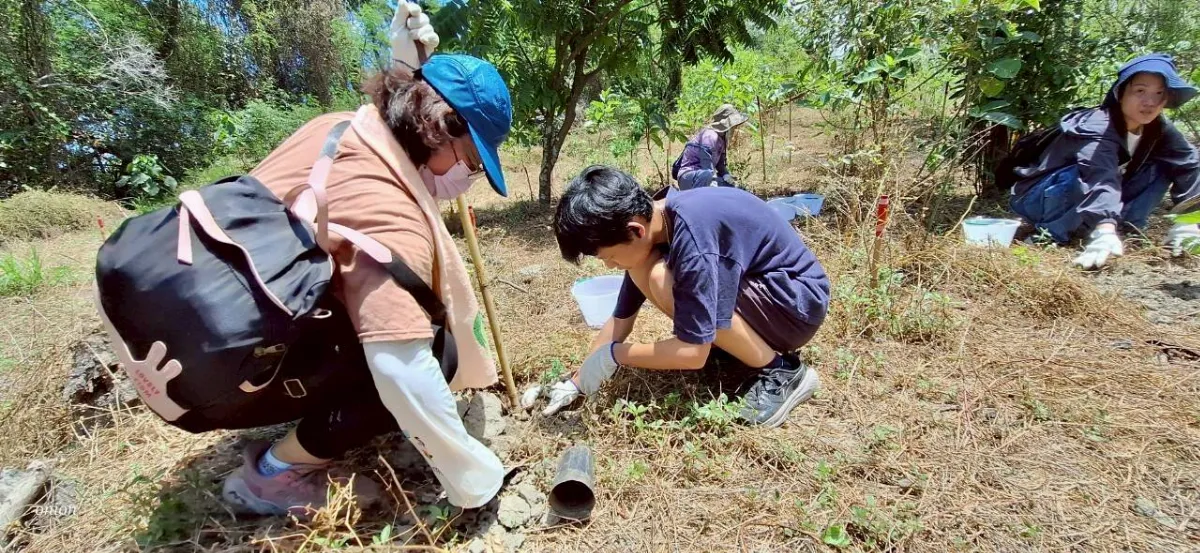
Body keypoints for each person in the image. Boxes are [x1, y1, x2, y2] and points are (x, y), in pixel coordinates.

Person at [214, 6, 513, 516]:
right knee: (433, 354)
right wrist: (475, 479)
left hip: (226, 314)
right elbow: (402, 371)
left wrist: (407, 66)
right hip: (233, 365)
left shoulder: (339, 129)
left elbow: (400, 112)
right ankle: (272, 474)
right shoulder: (391, 209)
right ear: (441, 126)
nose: (465, 177)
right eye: (469, 160)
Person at [543, 166, 830, 427]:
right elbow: (621, 319)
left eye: (610, 257)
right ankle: (737, 348)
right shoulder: (657, 221)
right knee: (648, 271)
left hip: (795, 305)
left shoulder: (693, 236)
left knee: (660, 278)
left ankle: (783, 372)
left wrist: (616, 355)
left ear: (635, 230)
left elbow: (693, 354)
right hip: (768, 297)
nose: (610, 266)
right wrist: (577, 382)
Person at [1008, 53, 1200, 269]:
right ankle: (1051, 233)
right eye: (1140, 91)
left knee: (1163, 165)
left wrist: (1189, 219)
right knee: (1077, 174)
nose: (1150, 102)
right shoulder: (1098, 125)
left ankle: (1126, 228)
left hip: (1086, 199)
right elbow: (1099, 176)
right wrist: (1104, 228)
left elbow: (1190, 163)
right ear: (1121, 92)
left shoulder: (1158, 128)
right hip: (1038, 197)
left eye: (1159, 93)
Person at [671, 104, 749, 190]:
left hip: (705, 176)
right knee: (708, 176)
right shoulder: (710, 136)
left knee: (734, 188)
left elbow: (720, 164)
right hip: (690, 177)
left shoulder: (722, 139)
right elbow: (707, 167)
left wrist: (726, 175)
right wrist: (714, 185)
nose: (735, 128)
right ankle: (702, 198)